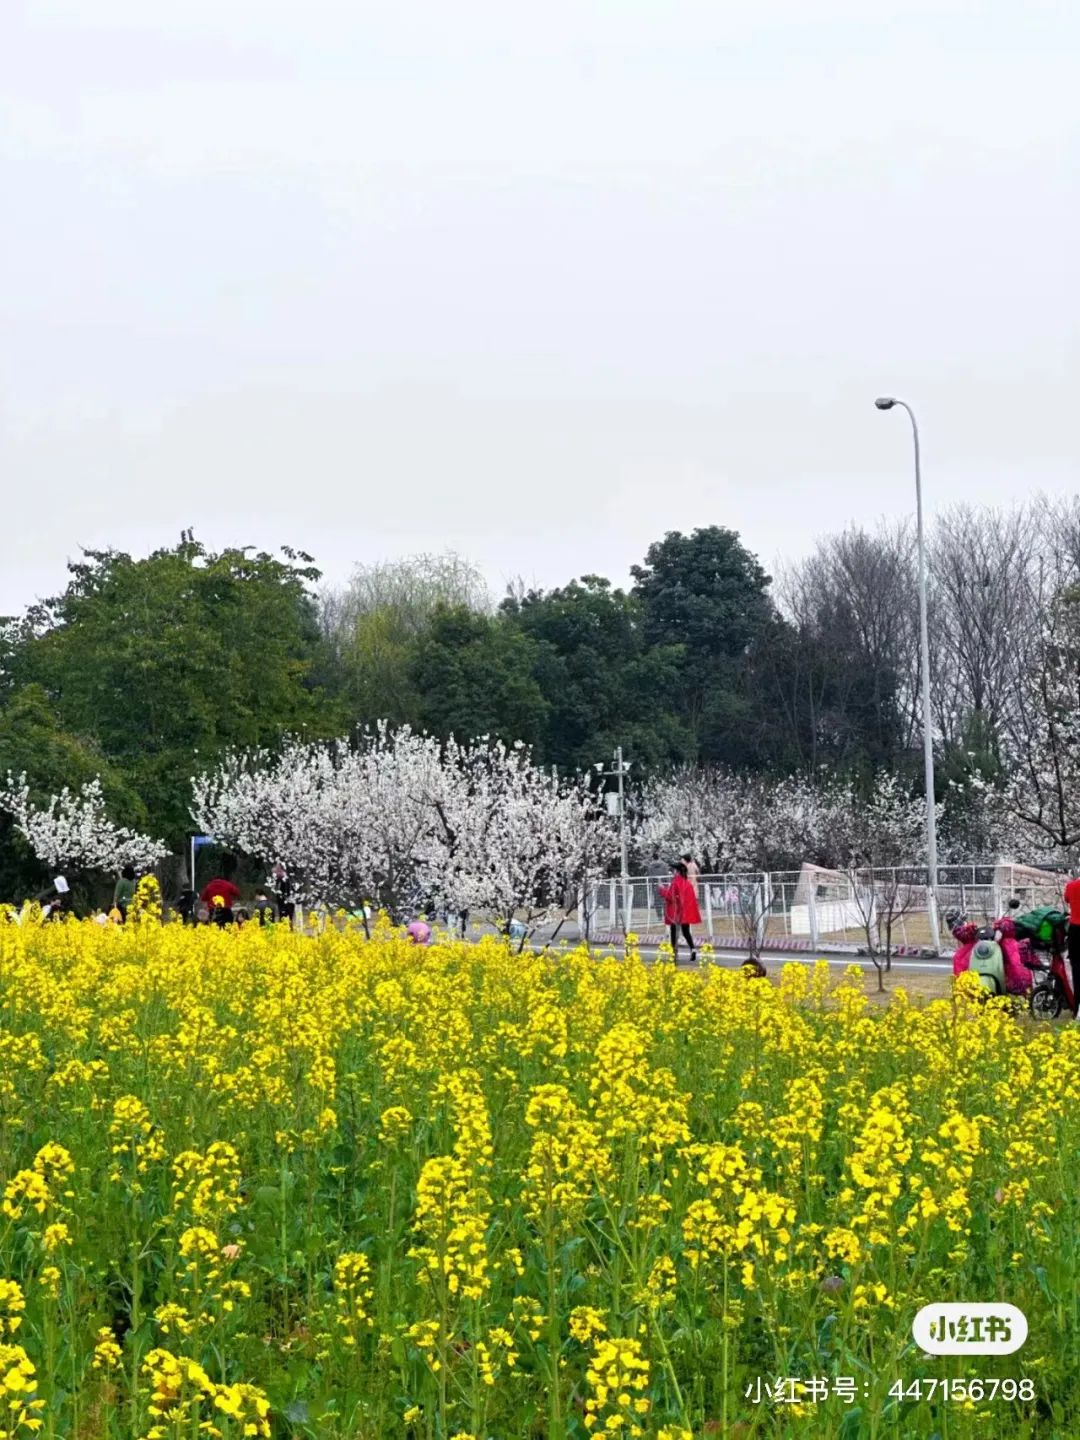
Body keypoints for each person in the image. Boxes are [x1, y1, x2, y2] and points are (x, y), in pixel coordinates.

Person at [659, 860, 702, 963]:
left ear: (677, 871)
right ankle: (692, 949)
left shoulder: (675, 882)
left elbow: (670, 896)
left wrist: (661, 889)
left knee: (673, 932)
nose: (672, 872)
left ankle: (673, 953)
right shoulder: (687, 883)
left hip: (675, 913)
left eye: (673, 870)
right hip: (685, 913)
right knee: (686, 932)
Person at [1064, 870, 1080, 1018]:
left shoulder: (1071, 886)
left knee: (1076, 969)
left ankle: (1077, 1009)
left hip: (1075, 931)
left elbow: (1067, 899)